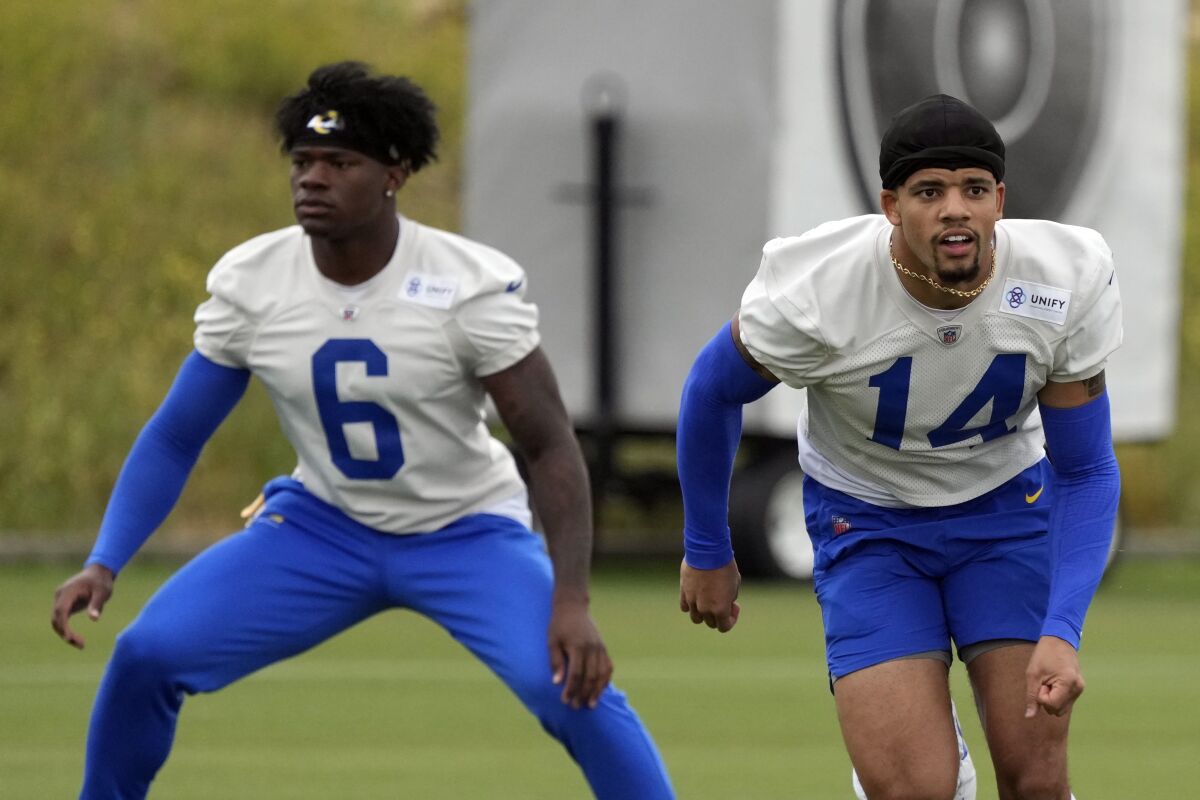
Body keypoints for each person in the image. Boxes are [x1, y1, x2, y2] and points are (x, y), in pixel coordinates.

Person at [51, 61, 674, 800]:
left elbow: (548, 445)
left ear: (394, 174)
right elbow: (175, 436)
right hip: (324, 526)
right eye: (302, 162)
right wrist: (105, 559)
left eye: (339, 163)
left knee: (576, 691)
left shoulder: (465, 286)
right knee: (147, 655)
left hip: (465, 531)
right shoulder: (255, 283)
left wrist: (571, 601)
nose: (311, 179)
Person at [676, 94, 1120, 799]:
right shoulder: (819, 287)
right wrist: (707, 545)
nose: (954, 209)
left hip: (1005, 511)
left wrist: (1063, 628)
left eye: (974, 189)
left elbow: (1087, 466)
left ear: (999, 200)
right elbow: (711, 390)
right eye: (929, 191)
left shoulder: (1063, 276)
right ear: (891, 205)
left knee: (1036, 778)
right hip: (868, 518)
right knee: (915, 788)